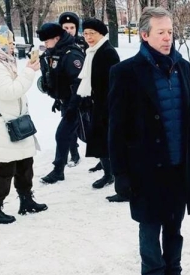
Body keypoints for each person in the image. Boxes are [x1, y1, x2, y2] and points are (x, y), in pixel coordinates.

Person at [108, 7, 190, 275]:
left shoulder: (183, 67)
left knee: (175, 227)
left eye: (170, 32)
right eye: (161, 33)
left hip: (180, 164)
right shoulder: (125, 73)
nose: (167, 38)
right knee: (150, 227)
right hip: (145, 170)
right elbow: (116, 129)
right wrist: (120, 174)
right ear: (144, 35)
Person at [0, 25, 48, 224]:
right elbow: (8, 92)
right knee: (4, 168)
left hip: (14, 123)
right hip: (0, 126)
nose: (12, 44)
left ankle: (26, 201)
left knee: (25, 163)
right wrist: (29, 72)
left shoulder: (1, 60)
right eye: (9, 40)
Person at [75, 19, 126, 200]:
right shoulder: (91, 52)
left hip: (108, 106)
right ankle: (108, 173)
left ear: (101, 34)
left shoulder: (107, 53)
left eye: (92, 33)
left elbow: (115, 82)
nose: (88, 37)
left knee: (111, 144)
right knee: (99, 141)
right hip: (97, 103)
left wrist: (108, 105)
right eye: (86, 33)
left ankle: (120, 182)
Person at [36, 23, 85, 184]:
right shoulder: (56, 52)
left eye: (47, 41)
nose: (45, 45)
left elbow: (79, 83)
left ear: (57, 38)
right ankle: (59, 170)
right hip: (67, 103)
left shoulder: (71, 54)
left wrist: (73, 105)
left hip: (78, 104)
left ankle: (113, 169)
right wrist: (58, 99)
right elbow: (59, 80)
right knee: (67, 135)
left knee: (84, 135)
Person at [59, 12, 86, 166]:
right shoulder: (59, 46)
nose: (69, 30)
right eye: (65, 27)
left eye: (72, 27)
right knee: (68, 126)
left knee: (88, 125)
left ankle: (101, 158)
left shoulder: (83, 43)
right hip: (67, 94)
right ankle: (74, 154)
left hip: (84, 92)